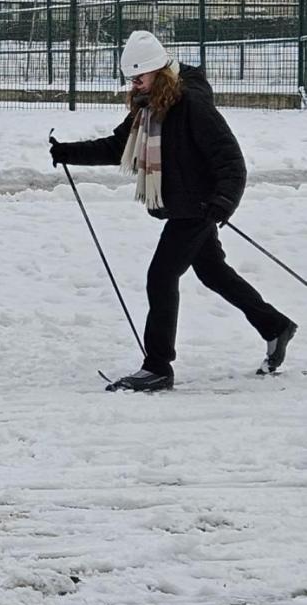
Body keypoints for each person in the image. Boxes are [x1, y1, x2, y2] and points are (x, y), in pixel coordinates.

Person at [49, 30, 296, 392]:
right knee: (213, 273)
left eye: (139, 77)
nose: (133, 85)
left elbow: (230, 160)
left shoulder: (191, 103)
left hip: (197, 208)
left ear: (157, 72)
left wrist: (222, 203)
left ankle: (157, 367)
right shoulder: (149, 106)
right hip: (184, 206)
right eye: (130, 79)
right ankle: (275, 326)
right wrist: (68, 152)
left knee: (160, 277)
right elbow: (121, 146)